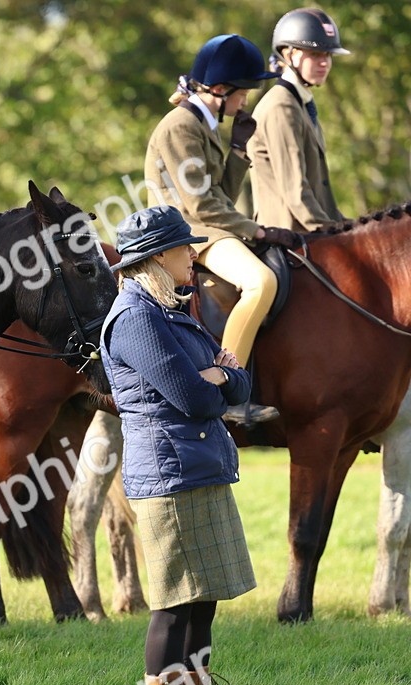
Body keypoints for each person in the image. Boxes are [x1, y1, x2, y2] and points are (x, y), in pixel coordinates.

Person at [101, 206, 258, 685]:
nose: (193, 255)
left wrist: (219, 375)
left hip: (200, 468)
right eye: (182, 249)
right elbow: (194, 398)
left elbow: (240, 380)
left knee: (203, 600)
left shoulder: (174, 311)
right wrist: (217, 376)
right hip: (170, 476)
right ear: (156, 259)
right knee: (173, 606)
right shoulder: (135, 318)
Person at [144, 34, 294, 425]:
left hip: (207, 225)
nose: (245, 102)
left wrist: (239, 153)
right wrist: (257, 231)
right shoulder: (181, 127)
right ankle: (229, 388)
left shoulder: (203, 124)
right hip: (187, 233)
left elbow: (221, 195)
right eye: (243, 93)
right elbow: (200, 205)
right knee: (261, 282)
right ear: (221, 89)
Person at [249, 8, 349, 232]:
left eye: (328, 55)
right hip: (290, 235)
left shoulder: (300, 103)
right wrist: (333, 235)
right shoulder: (281, 106)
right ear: (289, 54)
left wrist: (349, 227)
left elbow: (318, 191)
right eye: (315, 54)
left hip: (309, 231)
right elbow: (295, 191)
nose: (325, 63)